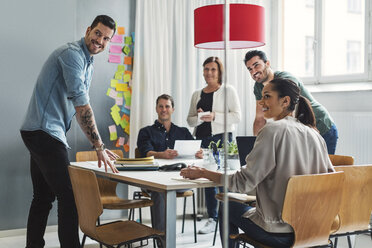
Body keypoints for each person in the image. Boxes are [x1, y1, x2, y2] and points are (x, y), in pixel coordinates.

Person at [181, 78, 335, 248]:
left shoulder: (271, 131)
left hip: (279, 232)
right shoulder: (315, 135)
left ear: (285, 101)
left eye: (267, 96)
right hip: (313, 230)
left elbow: (242, 183)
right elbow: (330, 179)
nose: (261, 102)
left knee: (227, 207)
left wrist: (203, 172)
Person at [20, 15, 119, 248]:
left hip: (40, 132)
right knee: (70, 197)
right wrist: (99, 147)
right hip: (45, 132)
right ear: (88, 30)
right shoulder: (72, 55)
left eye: (106, 38)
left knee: (43, 197)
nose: (100, 41)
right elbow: (82, 107)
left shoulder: (88, 63)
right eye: (97, 33)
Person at [244, 50, 338, 155]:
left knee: (321, 170)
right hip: (303, 131)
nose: (253, 72)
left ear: (267, 63)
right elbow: (259, 119)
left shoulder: (286, 79)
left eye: (256, 65)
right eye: (250, 69)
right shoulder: (258, 87)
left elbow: (292, 113)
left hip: (321, 125)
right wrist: (256, 146)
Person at [187, 56, 241, 234]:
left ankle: (228, 217)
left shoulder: (228, 90)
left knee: (224, 177)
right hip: (203, 140)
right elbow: (190, 120)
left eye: (213, 69)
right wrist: (200, 117)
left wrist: (215, 116)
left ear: (219, 72)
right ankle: (212, 218)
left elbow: (237, 116)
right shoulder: (197, 94)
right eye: (206, 69)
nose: (209, 73)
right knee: (208, 177)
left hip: (223, 138)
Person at [137, 94, 202, 242]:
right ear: (156, 109)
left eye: (167, 106)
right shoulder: (145, 132)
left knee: (168, 190)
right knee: (160, 192)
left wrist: (199, 153)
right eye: (161, 106)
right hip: (153, 181)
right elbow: (145, 153)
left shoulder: (183, 132)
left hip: (178, 180)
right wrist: (162, 154)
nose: (164, 109)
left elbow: (195, 150)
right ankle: (162, 242)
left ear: (173, 109)